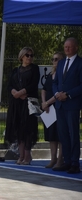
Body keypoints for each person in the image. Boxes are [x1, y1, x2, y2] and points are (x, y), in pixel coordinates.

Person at [4, 47, 40, 165]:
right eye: (27, 55)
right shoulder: (16, 70)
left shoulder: (34, 69)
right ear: (22, 57)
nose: (30, 57)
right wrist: (15, 93)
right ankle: (21, 154)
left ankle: (27, 155)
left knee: (28, 128)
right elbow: (9, 84)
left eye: (31, 55)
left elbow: (33, 84)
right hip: (17, 103)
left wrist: (22, 92)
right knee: (18, 129)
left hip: (29, 102)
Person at [52, 37, 82, 174]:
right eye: (65, 47)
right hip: (60, 105)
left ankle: (75, 163)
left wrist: (68, 94)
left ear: (76, 47)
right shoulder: (61, 62)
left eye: (70, 47)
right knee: (63, 134)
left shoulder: (80, 63)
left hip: (72, 104)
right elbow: (55, 82)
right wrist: (57, 93)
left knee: (73, 134)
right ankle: (67, 161)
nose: (67, 49)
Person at [41, 52, 64, 169]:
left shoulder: (63, 75)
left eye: (58, 59)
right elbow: (44, 90)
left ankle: (60, 160)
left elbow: (58, 93)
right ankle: (53, 158)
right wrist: (44, 102)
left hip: (58, 108)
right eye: (54, 59)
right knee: (51, 136)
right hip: (49, 110)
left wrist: (47, 103)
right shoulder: (50, 75)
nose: (55, 61)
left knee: (60, 135)